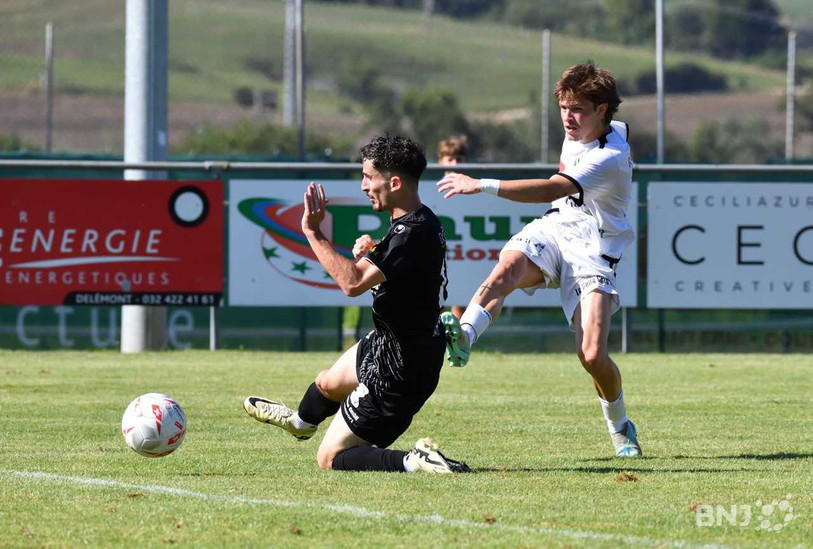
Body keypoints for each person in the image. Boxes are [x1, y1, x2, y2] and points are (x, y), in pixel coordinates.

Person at [436, 62, 641, 458]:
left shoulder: (609, 156)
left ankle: (620, 427)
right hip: (556, 225)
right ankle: (463, 338)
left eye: (578, 108)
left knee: (592, 354)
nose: (568, 117)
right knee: (507, 269)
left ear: (602, 110)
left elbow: (550, 186)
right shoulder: (607, 129)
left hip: (594, 249)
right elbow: (560, 191)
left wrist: (480, 184)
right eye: (564, 106)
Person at [244, 136, 472, 473]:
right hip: (391, 343)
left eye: (368, 177)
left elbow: (351, 283)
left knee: (330, 459)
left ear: (393, 183)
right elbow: (399, 272)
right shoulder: (420, 222)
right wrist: (374, 251)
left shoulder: (410, 233)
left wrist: (313, 232)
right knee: (327, 383)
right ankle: (300, 423)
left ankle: (414, 460)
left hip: (400, 370)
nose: (364, 185)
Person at [437, 135, 469, 320]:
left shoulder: (472, 189)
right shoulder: (428, 188)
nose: (455, 163)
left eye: (459, 158)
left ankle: (456, 345)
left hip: (463, 254)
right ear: (441, 161)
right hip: (439, 253)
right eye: (450, 158)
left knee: (462, 301)